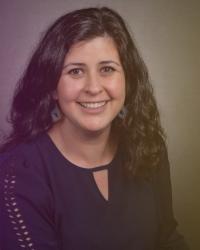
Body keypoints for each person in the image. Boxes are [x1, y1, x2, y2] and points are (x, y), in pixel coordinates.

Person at [0, 6, 189, 250]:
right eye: (76, 71)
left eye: (107, 69)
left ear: (127, 80)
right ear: (51, 86)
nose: (93, 87)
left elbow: (167, 239)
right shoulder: (16, 174)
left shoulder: (147, 147)